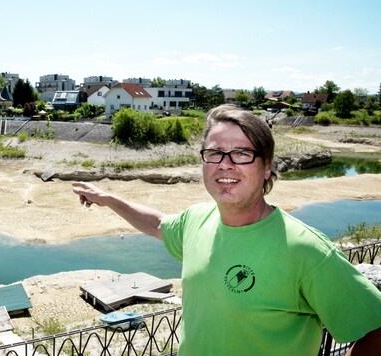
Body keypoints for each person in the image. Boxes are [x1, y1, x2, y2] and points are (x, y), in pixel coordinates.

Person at [72, 104, 381, 355]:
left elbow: (375, 331)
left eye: (242, 154)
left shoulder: (306, 250)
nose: (225, 164)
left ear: (267, 166)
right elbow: (156, 224)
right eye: (215, 153)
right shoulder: (197, 220)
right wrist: (109, 199)